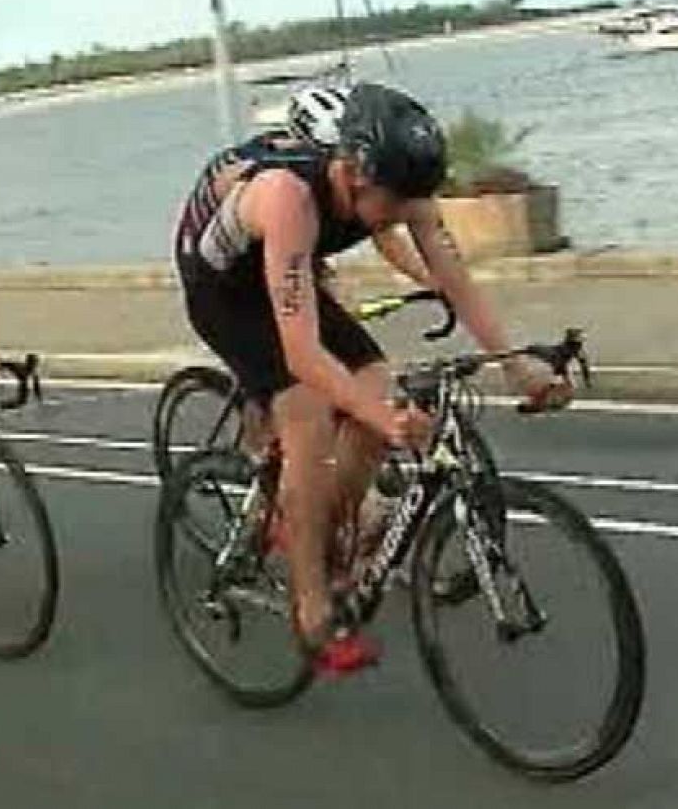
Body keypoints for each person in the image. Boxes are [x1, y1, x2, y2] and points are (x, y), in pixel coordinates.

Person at [172, 82, 571, 675]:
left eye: (417, 199)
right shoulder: (288, 197)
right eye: (395, 201)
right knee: (307, 411)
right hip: (225, 287)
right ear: (355, 172)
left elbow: (456, 280)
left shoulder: (399, 188)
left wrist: (516, 364)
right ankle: (312, 608)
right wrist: (385, 420)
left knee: (377, 386)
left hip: (286, 263)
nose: (406, 213)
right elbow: (303, 355)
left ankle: (334, 530)